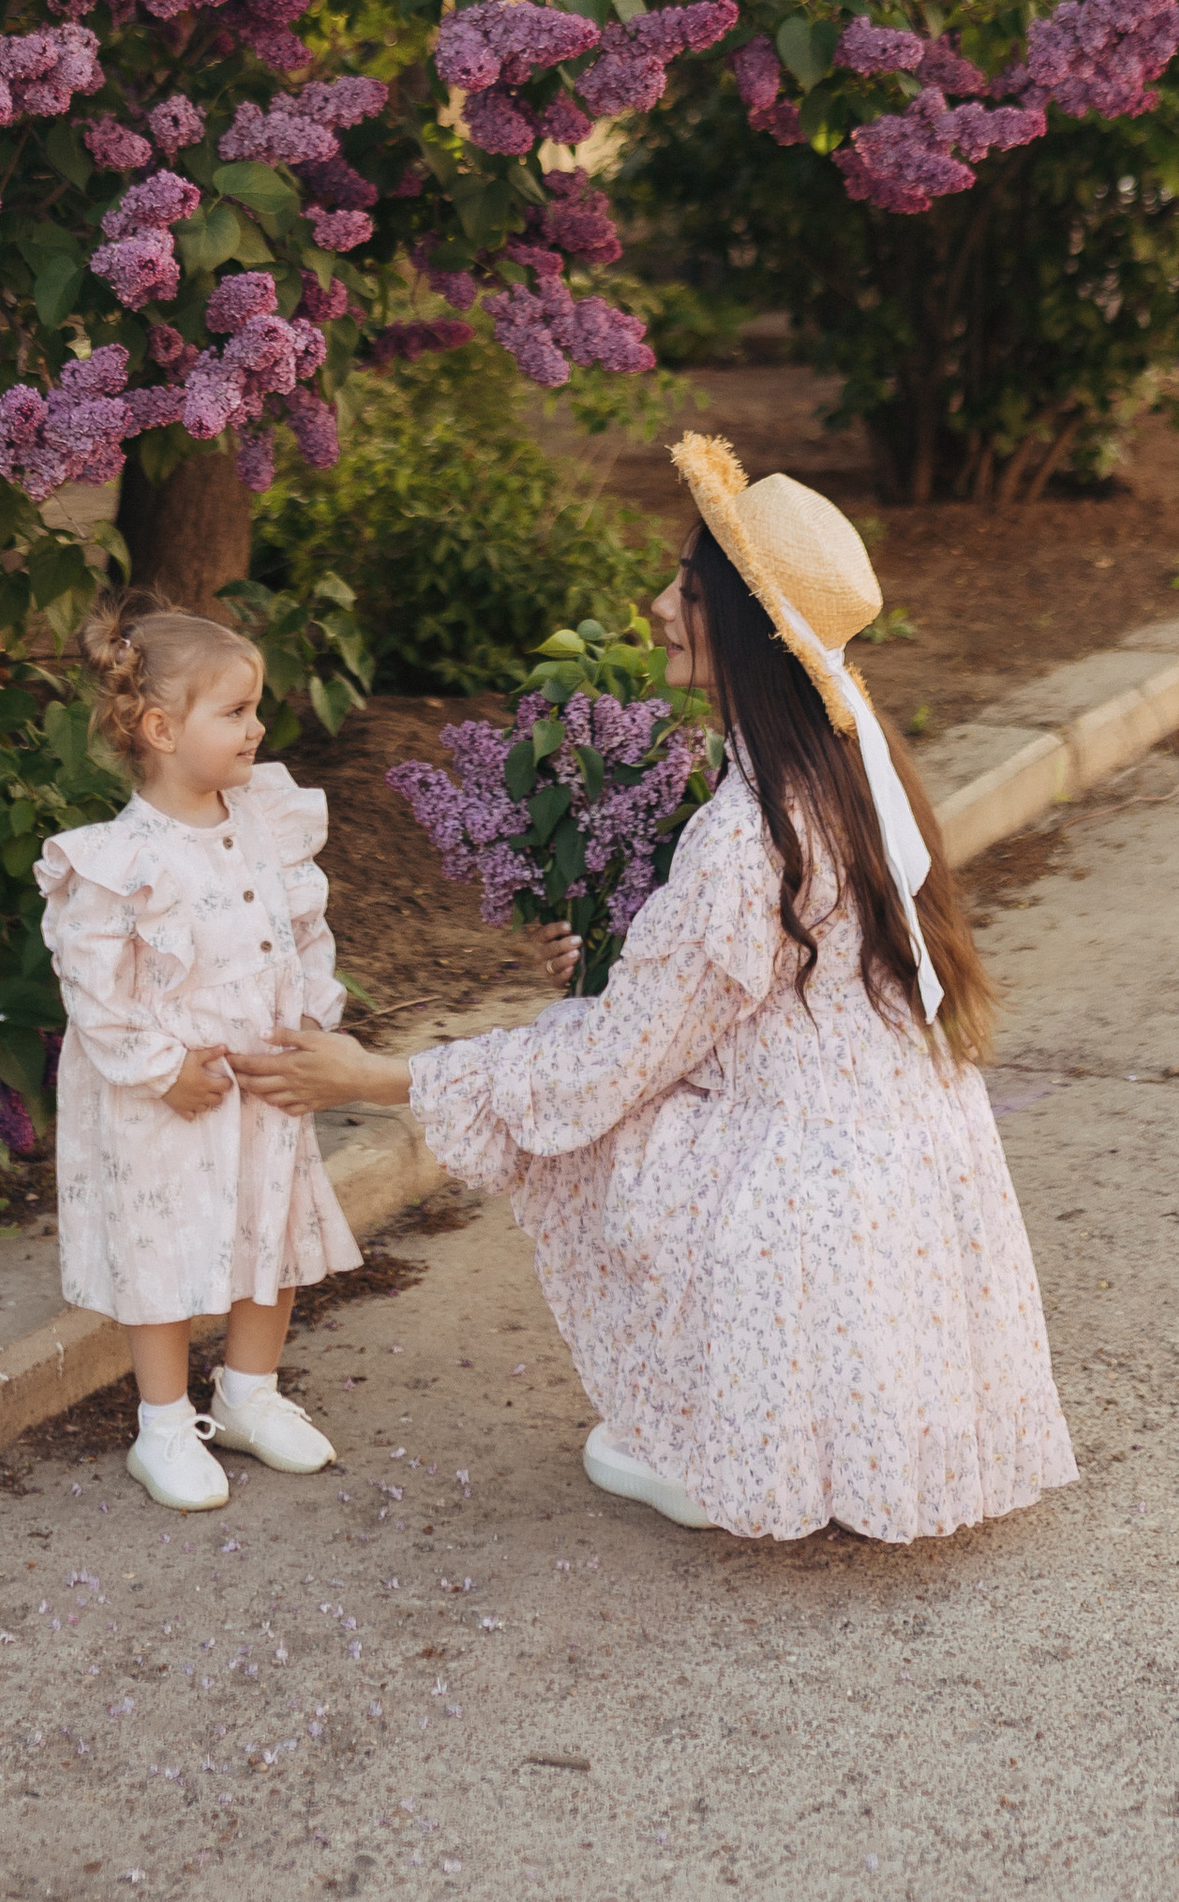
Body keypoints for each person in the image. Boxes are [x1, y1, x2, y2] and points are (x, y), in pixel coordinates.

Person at [233, 431, 1078, 1545]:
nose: (657, 602)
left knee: (597, 1121)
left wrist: (382, 1077)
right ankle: (828, 1415)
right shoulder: (841, 776)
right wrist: (611, 962)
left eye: (683, 587)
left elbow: (602, 1067)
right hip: (904, 1173)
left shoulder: (749, 831)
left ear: (739, 625)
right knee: (601, 1059)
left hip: (811, 1199)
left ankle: (714, 1429)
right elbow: (761, 987)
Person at [36, 594, 359, 1514]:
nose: (258, 729)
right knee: (162, 1242)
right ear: (160, 728)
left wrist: (316, 1023)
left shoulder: (266, 820)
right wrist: (156, 1067)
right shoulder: (117, 859)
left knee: (272, 1229)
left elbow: (303, 931)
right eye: (236, 712)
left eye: (256, 709)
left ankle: (249, 1393)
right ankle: (165, 1421)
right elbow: (95, 986)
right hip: (171, 1092)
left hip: (262, 1074)